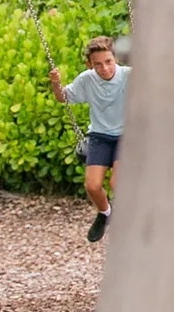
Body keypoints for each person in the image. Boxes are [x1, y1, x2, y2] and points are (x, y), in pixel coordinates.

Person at [49, 36, 129, 243]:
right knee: (92, 186)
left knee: (116, 183)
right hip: (99, 136)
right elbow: (62, 98)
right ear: (89, 64)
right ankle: (105, 213)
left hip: (127, 136)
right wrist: (56, 84)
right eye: (98, 64)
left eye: (108, 62)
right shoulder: (86, 79)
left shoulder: (129, 76)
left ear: (116, 59)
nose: (104, 68)